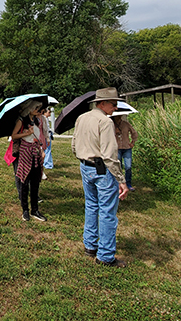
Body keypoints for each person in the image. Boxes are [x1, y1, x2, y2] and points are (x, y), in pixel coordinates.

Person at [72, 87, 129, 267]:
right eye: (114, 104)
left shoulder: (82, 118)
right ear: (102, 103)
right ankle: (105, 255)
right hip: (102, 169)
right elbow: (110, 155)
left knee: (91, 205)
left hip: (85, 166)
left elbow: (74, 145)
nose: (116, 108)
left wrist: (83, 157)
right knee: (107, 212)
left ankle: (90, 244)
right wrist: (121, 179)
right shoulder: (105, 122)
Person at [12, 100, 47, 222]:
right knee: (24, 181)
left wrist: (41, 150)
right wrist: (25, 133)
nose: (38, 109)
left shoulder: (37, 121)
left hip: (36, 152)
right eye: (36, 107)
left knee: (35, 181)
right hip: (25, 153)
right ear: (29, 109)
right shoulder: (21, 121)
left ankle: (35, 210)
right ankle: (25, 210)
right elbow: (13, 136)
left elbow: (38, 137)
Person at [113, 114, 138, 191]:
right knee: (118, 167)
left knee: (128, 166)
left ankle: (128, 183)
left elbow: (134, 133)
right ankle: (119, 183)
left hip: (127, 148)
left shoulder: (126, 124)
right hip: (117, 148)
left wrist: (133, 142)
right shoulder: (111, 124)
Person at [42, 107, 54, 177]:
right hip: (46, 137)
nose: (49, 114)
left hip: (47, 136)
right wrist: (47, 138)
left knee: (46, 150)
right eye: (48, 112)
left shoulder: (45, 119)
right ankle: (48, 164)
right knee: (47, 150)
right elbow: (45, 129)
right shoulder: (44, 119)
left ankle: (47, 163)